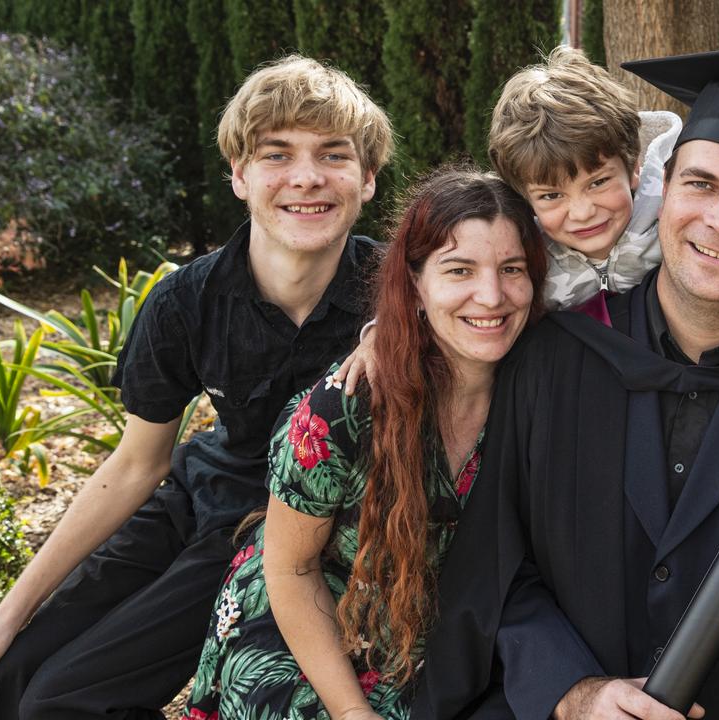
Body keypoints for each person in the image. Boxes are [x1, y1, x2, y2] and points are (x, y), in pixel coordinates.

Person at [413, 45, 719, 719]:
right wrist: (573, 692)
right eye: (701, 185)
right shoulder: (553, 360)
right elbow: (497, 559)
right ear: (663, 186)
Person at [0, 55, 392, 718]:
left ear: (368, 178)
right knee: (14, 672)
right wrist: (2, 618)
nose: (306, 178)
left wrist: (402, 328)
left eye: (334, 155)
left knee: (62, 703)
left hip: (278, 534)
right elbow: (133, 466)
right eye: (276, 155)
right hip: (193, 498)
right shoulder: (186, 302)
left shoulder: (401, 295)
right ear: (238, 175)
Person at [182, 168, 547, 720]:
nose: (491, 295)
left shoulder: (540, 394)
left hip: (432, 651)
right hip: (302, 638)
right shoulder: (344, 408)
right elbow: (290, 571)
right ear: (416, 285)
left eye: (512, 269)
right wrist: (352, 712)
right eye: (459, 270)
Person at [341, 46, 719, 422]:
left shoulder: (670, 216)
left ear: (634, 167)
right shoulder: (526, 250)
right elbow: (450, 296)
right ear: (524, 198)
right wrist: (377, 338)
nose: (582, 211)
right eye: (551, 196)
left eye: (599, 182)